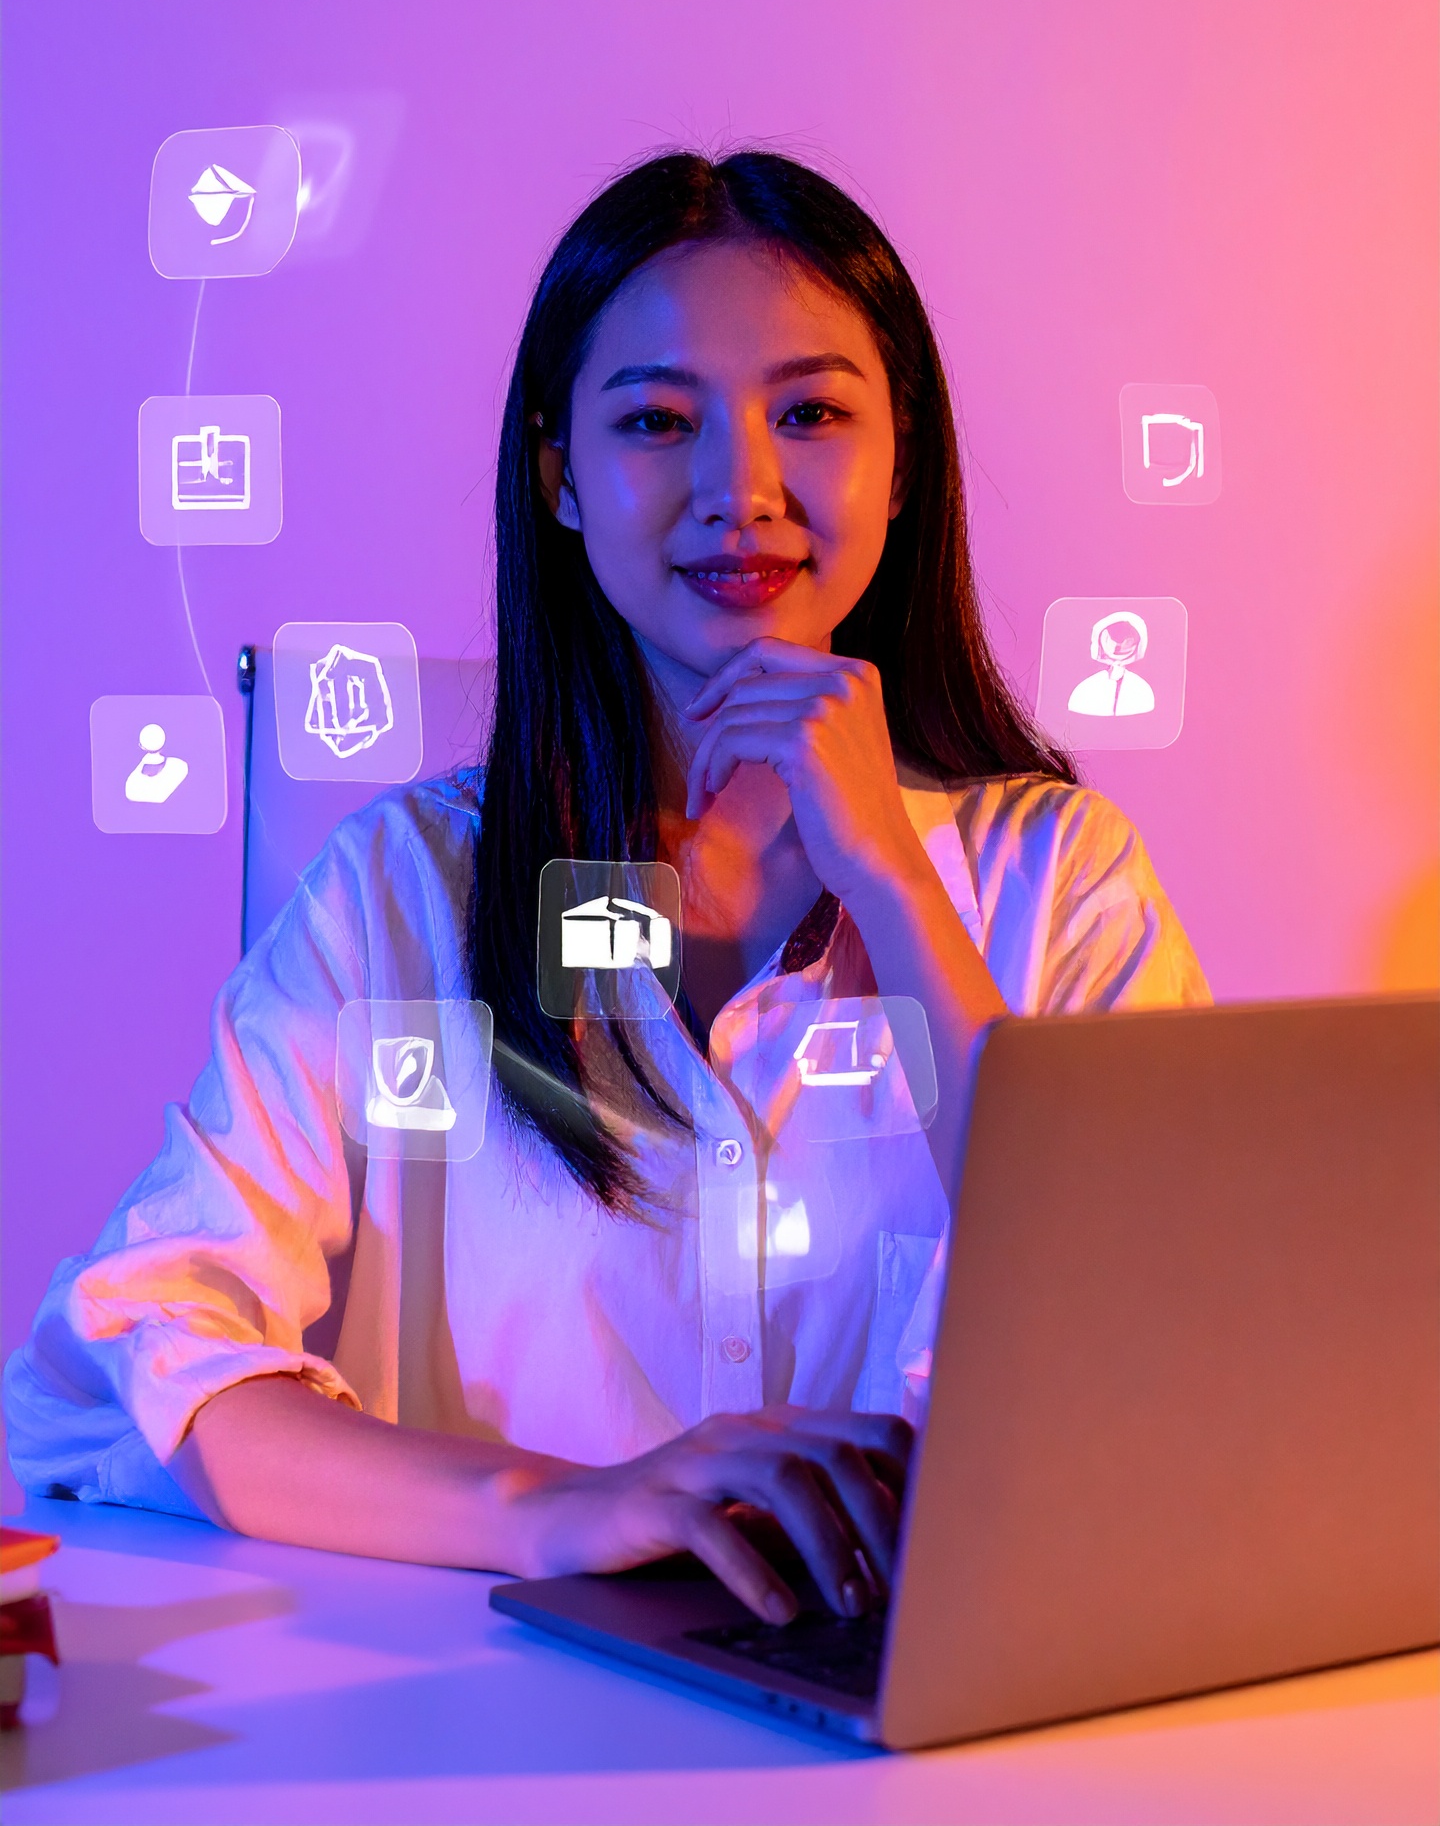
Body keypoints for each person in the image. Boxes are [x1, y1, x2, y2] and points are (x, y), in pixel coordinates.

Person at [6, 152, 1207, 1630]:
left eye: (814, 415)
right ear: (561, 478)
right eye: (655, 422)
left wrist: (888, 877)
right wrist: (558, 1506)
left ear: (901, 466)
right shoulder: (396, 893)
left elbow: (1163, 1336)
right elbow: (123, 1359)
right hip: (487, 1738)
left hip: (916, 1741)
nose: (741, 493)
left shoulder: (1056, 883)